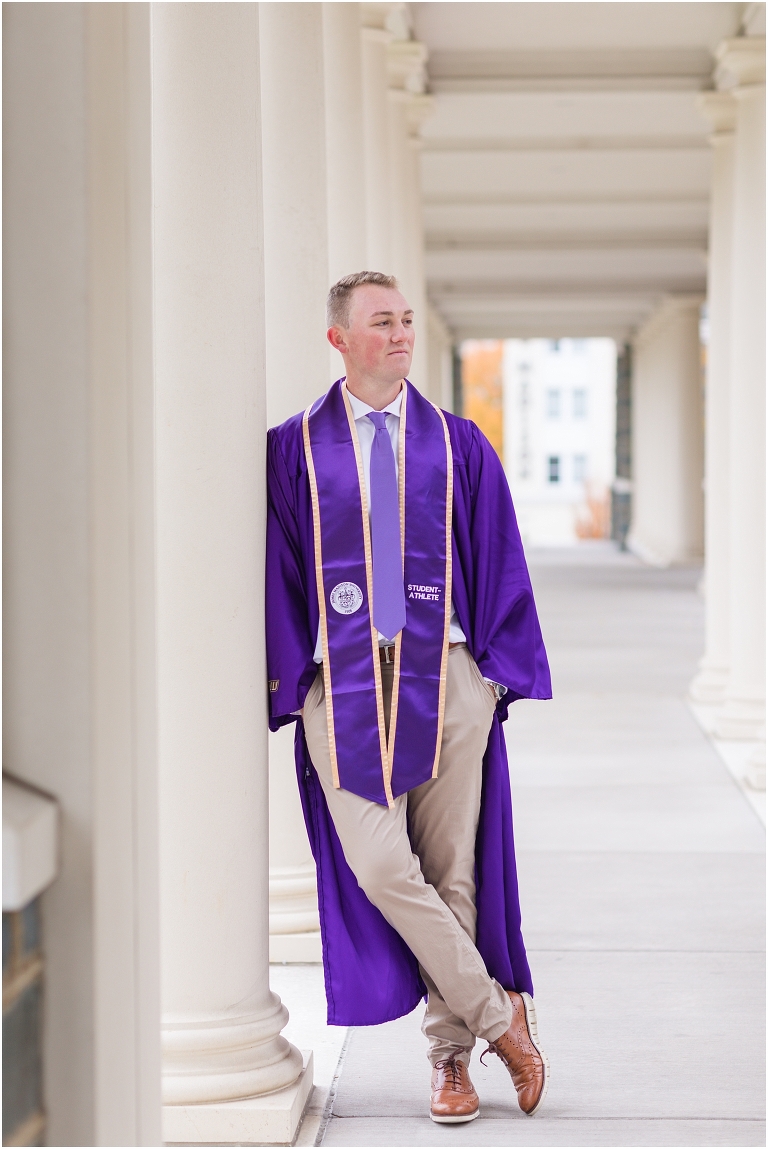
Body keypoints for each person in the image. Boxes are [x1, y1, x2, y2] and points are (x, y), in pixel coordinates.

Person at [266, 271, 552, 1123]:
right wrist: (296, 682)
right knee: (383, 864)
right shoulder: (292, 450)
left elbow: (499, 553)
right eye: (380, 322)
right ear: (339, 339)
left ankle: (450, 1059)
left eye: (404, 320)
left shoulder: (457, 443)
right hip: (343, 680)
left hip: (445, 671)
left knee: (451, 869)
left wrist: (489, 678)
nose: (399, 335)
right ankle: (502, 1018)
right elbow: (276, 573)